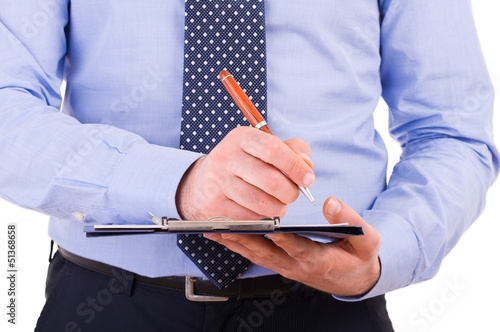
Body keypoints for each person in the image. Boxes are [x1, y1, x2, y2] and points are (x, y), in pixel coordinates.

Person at [0, 0, 497, 331]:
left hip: (329, 307)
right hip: (106, 306)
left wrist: (383, 256)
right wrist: (177, 184)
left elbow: (452, 131)